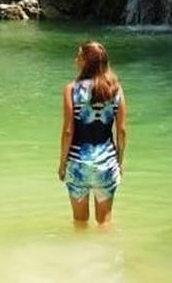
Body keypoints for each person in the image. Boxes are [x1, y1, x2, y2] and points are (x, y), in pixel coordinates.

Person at [58, 41, 127, 228]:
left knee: (80, 222)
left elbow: (68, 131)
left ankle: (80, 256)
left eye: (79, 56)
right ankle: (106, 256)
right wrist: (119, 162)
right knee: (105, 222)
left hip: (78, 163)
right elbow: (121, 131)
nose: (76, 59)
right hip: (106, 163)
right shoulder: (116, 89)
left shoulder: (72, 89)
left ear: (87, 62)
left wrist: (62, 164)